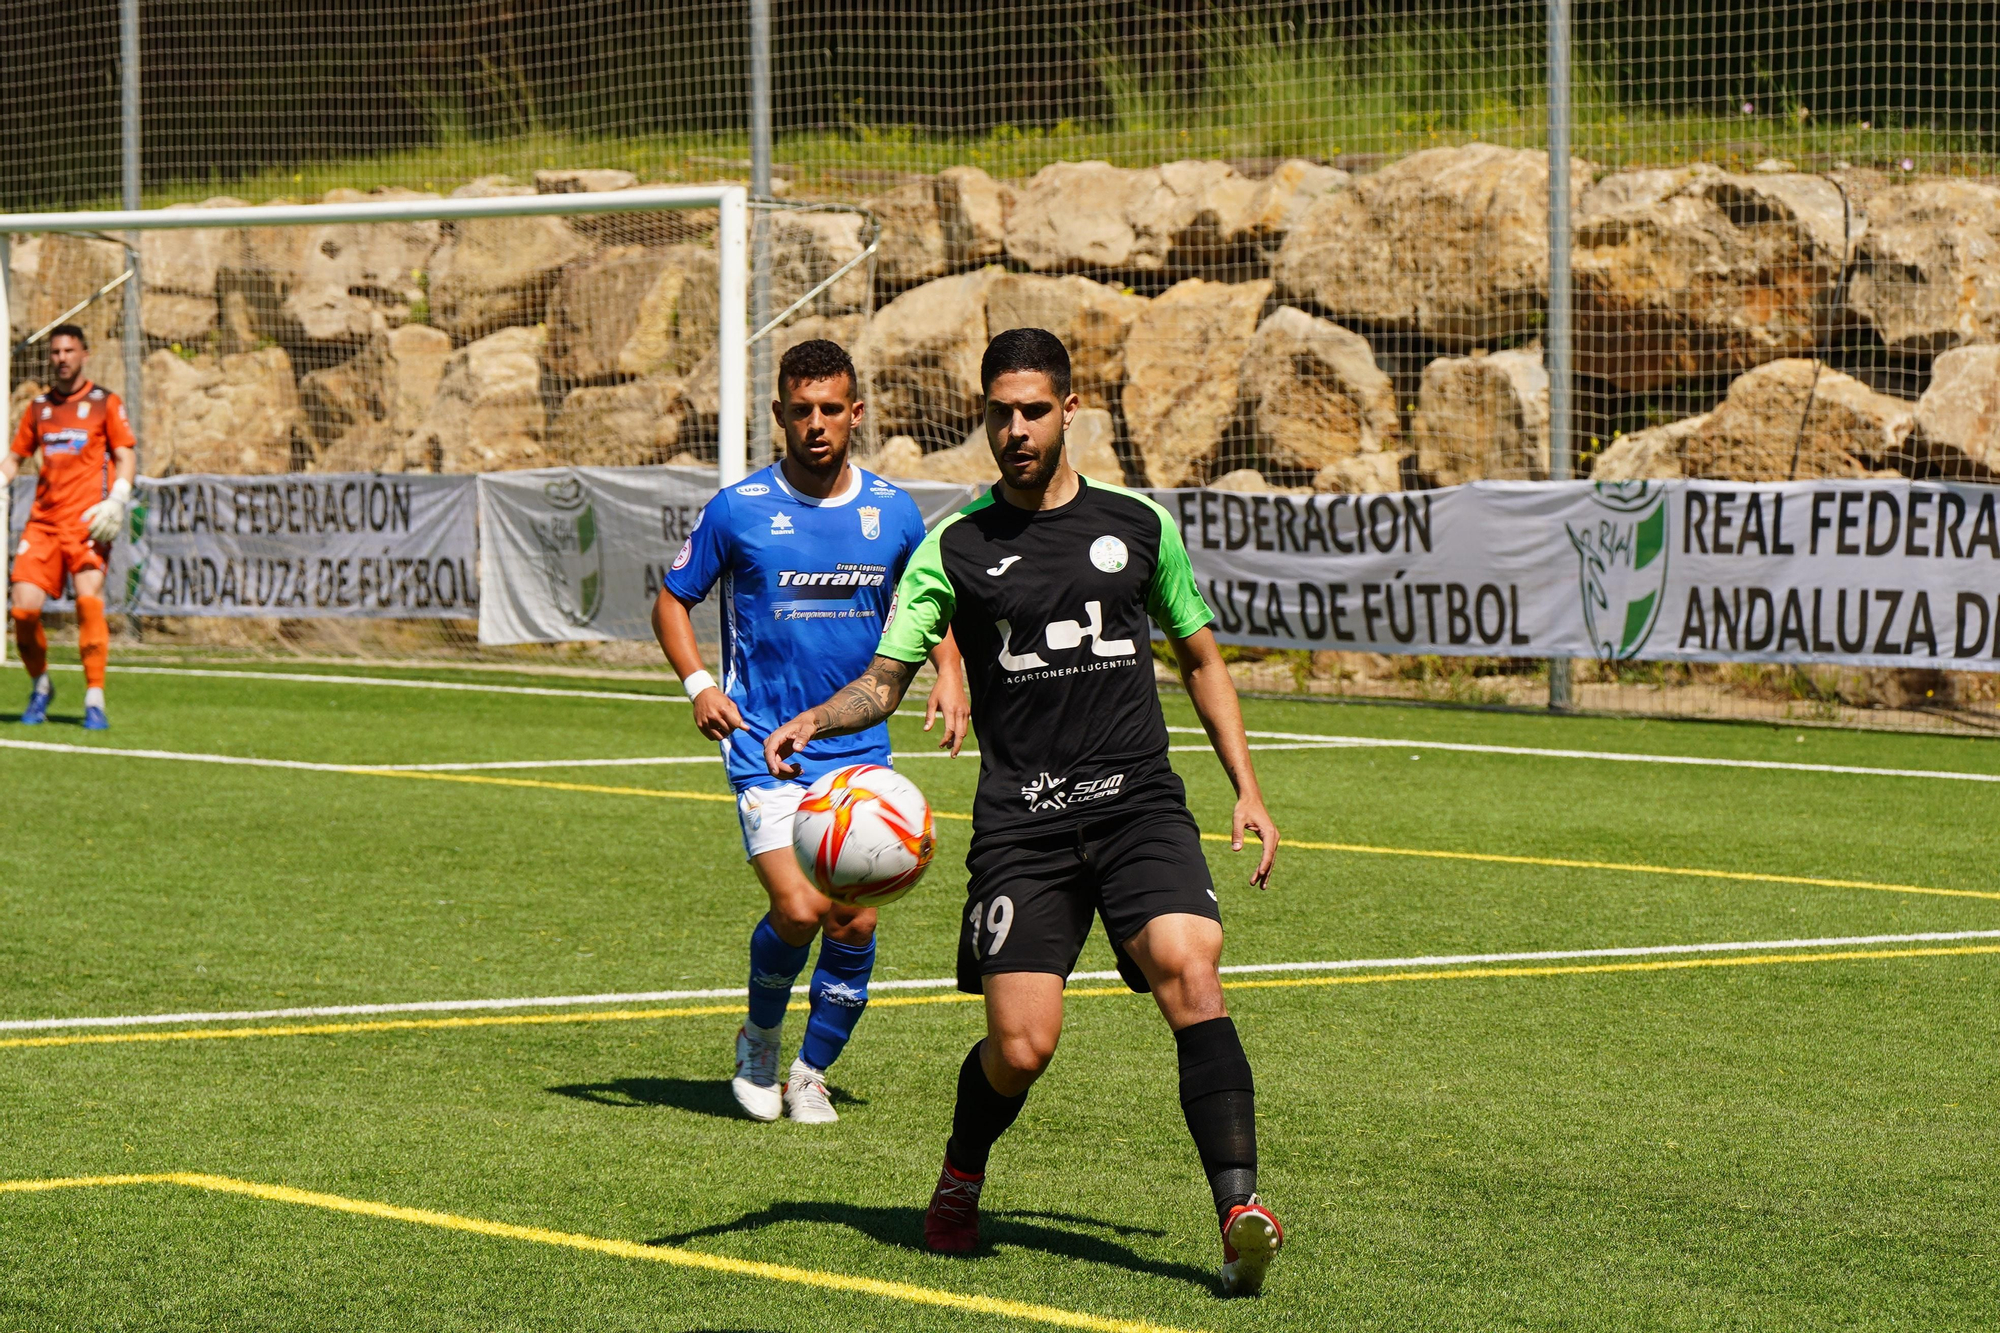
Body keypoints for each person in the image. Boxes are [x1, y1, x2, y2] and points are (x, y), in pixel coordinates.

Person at [763, 327, 1285, 1294]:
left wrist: (1245, 788)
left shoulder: (1138, 526)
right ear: (984, 418)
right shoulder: (951, 551)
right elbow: (885, 679)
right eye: (999, 413)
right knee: (1021, 1044)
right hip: (1026, 826)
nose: (1016, 429)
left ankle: (1238, 1209)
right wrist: (819, 719)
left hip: (1139, 806)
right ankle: (961, 1176)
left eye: (1034, 411)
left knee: (1189, 966)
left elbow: (1201, 655)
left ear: (1068, 411)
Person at [654, 338, 969, 1125]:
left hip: (858, 750)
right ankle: (760, 1038)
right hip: (766, 743)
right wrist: (699, 686)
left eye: (832, 409)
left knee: (854, 914)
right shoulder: (739, 509)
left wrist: (951, 669)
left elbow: (924, 599)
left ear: (856, 413)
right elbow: (672, 600)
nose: (817, 425)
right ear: (779, 418)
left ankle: (811, 1071)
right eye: (802, 411)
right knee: (799, 909)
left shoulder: (892, 511)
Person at [2, 325, 136, 730]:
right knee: (22, 611)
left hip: (87, 524)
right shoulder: (39, 409)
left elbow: (125, 455)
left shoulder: (104, 403)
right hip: (42, 524)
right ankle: (41, 686)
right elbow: (15, 458)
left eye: (69, 350)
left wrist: (118, 498)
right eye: (56, 352)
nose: (62, 358)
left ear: (84, 354)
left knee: (88, 602)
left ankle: (94, 697)